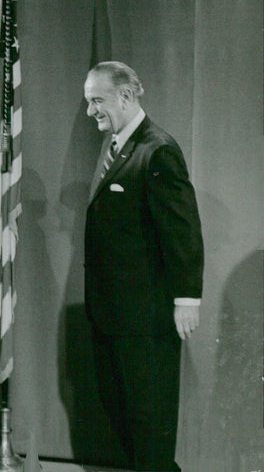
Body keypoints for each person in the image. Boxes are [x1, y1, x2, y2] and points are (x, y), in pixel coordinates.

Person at [83, 61, 203, 471]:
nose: (90, 111)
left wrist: (187, 298)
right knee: (126, 417)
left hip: (145, 320)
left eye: (97, 100)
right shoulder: (116, 145)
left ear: (127, 96)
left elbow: (182, 231)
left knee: (150, 423)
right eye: (88, 102)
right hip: (113, 316)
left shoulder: (158, 149)